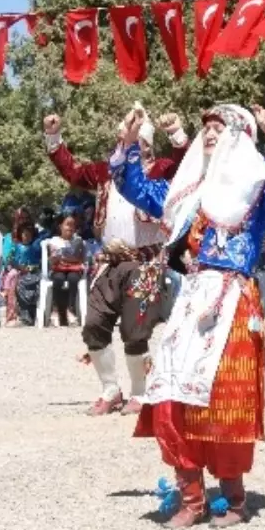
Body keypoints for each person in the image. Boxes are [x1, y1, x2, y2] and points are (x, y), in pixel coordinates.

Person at [111, 102, 265, 527]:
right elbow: (136, 187)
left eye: (223, 128)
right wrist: (127, 143)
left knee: (223, 397)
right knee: (171, 392)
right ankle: (191, 498)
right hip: (192, 297)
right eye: (208, 128)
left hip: (232, 299)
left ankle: (234, 499)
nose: (211, 133)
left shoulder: (257, 193)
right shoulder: (187, 192)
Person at [44, 108, 188, 416]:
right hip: (108, 262)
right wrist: (53, 136)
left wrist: (176, 132)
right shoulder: (104, 171)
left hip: (144, 261)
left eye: (137, 138)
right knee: (94, 325)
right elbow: (72, 171)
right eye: (124, 135)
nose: (127, 139)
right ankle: (110, 389)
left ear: (146, 144)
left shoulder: (161, 170)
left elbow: (186, 164)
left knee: (136, 330)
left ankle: (141, 392)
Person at [46, 214, 87, 327]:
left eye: (73, 225)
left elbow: (79, 257)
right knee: (58, 279)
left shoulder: (78, 241)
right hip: (59, 268)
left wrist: (63, 256)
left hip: (74, 268)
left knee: (73, 278)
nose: (70, 227)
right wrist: (57, 258)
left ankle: (71, 309)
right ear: (60, 226)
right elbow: (52, 260)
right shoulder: (54, 240)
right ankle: (55, 310)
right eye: (67, 224)